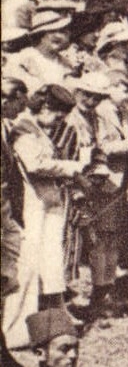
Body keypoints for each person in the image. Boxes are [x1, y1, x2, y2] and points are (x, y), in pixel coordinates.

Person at [2, 82, 90, 350]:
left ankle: (46, 322)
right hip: (31, 204)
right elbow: (36, 164)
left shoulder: (36, 127)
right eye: (55, 115)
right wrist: (73, 167)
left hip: (45, 203)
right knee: (27, 267)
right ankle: (16, 331)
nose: (56, 122)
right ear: (45, 107)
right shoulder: (24, 128)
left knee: (50, 265)